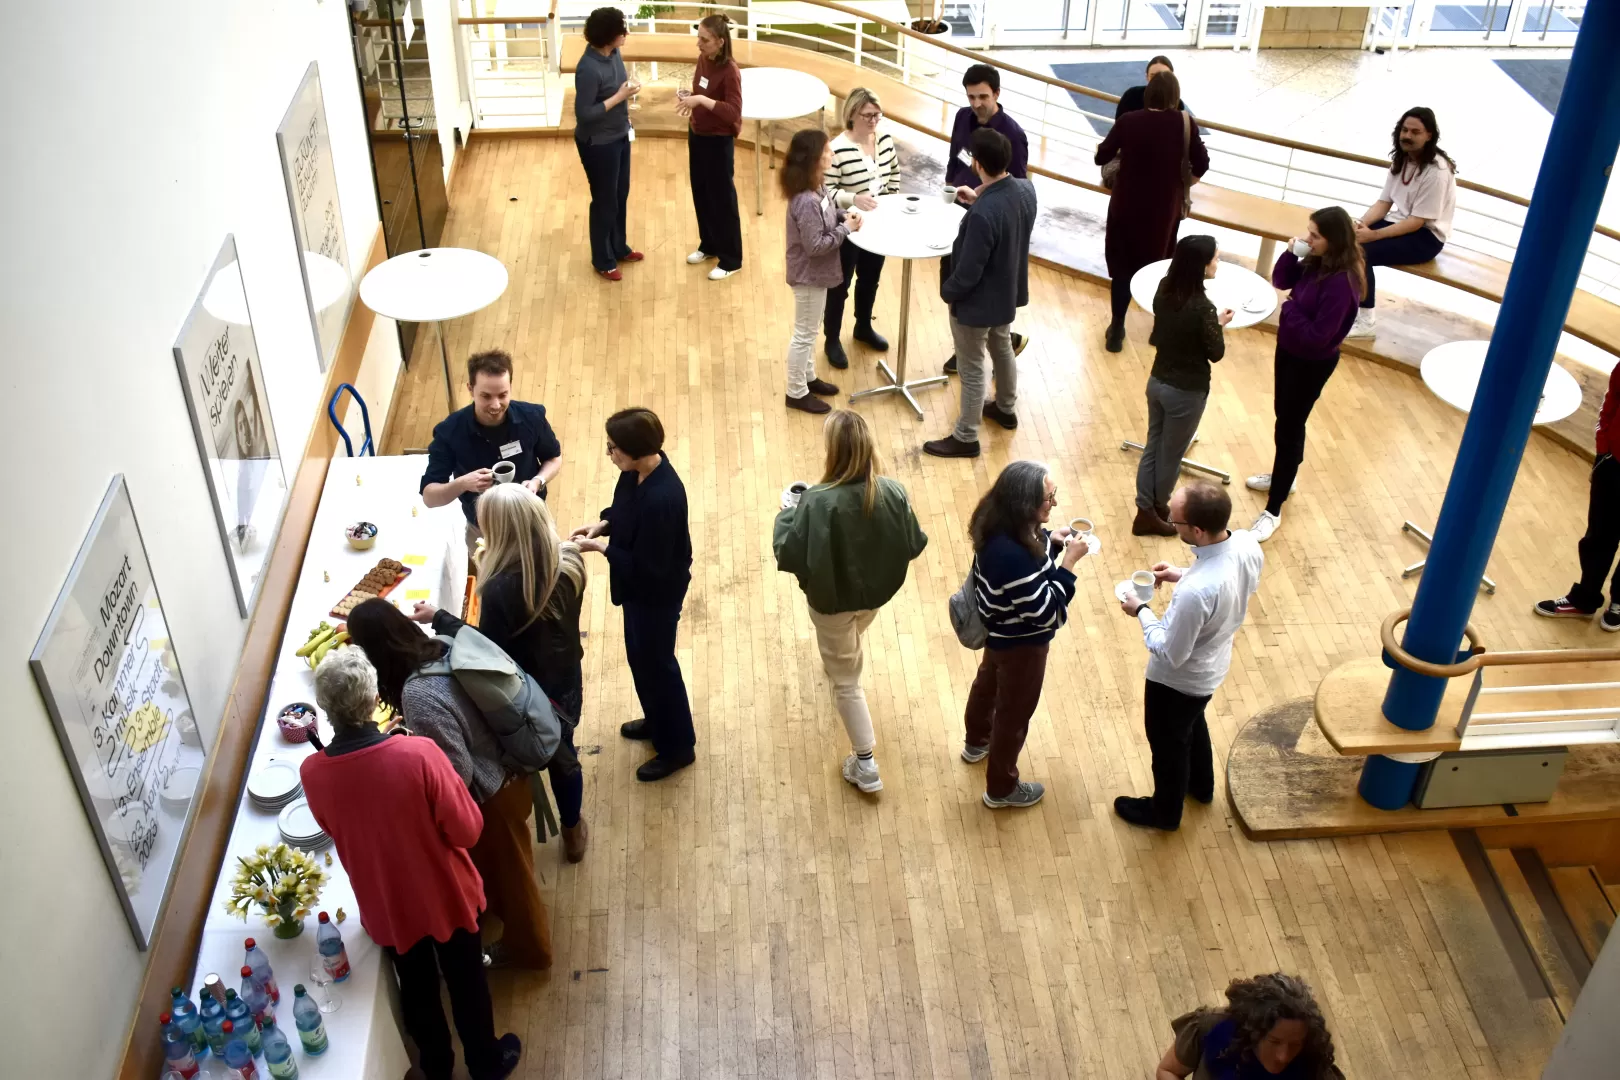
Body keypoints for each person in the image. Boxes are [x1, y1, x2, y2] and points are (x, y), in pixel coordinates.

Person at [302, 649, 523, 1080]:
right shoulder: (418, 755)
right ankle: (485, 1063)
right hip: (446, 895)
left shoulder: (313, 773)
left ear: (326, 711)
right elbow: (467, 830)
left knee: (418, 992)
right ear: (372, 701)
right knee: (467, 985)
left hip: (387, 904)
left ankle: (436, 1068)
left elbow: (335, 827)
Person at [345, 598, 554, 969]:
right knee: (508, 871)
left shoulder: (417, 695)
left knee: (514, 884)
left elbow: (457, 774)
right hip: (510, 775)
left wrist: (411, 761)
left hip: (493, 796)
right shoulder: (440, 645)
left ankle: (531, 950)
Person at [412, 483, 591, 862]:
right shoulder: (570, 561)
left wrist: (440, 619)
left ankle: (550, 823)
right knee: (565, 753)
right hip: (566, 683)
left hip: (528, 692)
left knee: (540, 753)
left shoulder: (499, 589)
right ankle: (573, 826)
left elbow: (488, 652)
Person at [773, 410, 928, 793]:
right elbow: (914, 543)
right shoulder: (893, 491)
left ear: (833, 451)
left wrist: (787, 515)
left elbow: (789, 552)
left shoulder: (815, 501)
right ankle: (842, 659)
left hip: (831, 604)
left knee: (847, 682)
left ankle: (865, 765)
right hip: (872, 598)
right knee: (853, 635)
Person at [1115, 483, 1262, 831]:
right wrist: (1182, 574)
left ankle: (1164, 812)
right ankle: (1201, 785)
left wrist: (1142, 611)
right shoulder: (1244, 542)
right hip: (1212, 669)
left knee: (1168, 745)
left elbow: (1170, 651)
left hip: (1177, 681)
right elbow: (1234, 583)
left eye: (1174, 520)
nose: (1170, 522)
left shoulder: (1196, 594)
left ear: (1196, 530)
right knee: (1191, 723)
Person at [570, 408, 696, 781]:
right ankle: (657, 722)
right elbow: (625, 512)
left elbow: (650, 568)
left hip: (656, 595)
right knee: (641, 661)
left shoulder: (663, 498)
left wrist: (600, 550)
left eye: (614, 448)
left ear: (636, 450)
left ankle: (678, 748)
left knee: (659, 667)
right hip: (639, 590)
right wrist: (603, 524)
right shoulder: (635, 474)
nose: (610, 453)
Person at [960, 461, 1091, 809]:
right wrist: (1069, 565)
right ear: (1024, 504)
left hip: (997, 631)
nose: (1055, 504)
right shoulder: (1013, 554)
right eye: (1048, 498)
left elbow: (1029, 572)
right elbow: (1046, 613)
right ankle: (1001, 789)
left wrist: (1051, 542)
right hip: (1021, 646)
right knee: (1013, 715)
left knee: (986, 684)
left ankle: (976, 742)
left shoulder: (999, 525)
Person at [1246, 207, 1365, 543]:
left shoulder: (1342, 284)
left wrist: (1289, 309)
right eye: (1308, 232)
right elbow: (1282, 281)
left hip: (1311, 362)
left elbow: (1318, 336)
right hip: (1289, 350)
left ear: (1334, 240)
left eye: (1315, 235)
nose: (1307, 239)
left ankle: (1273, 509)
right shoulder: (1316, 261)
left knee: (1290, 425)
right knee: (1284, 417)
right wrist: (1290, 252)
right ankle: (1287, 474)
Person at [923, 128, 1037, 460]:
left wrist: (948, 291)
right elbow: (1011, 216)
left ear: (976, 163)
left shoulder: (984, 217)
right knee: (1002, 346)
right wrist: (980, 198)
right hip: (1006, 296)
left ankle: (966, 436)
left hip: (976, 305)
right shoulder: (1025, 190)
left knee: (972, 368)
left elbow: (970, 271)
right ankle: (1005, 408)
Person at [1093, 71, 1209, 354]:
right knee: (1158, 269)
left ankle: (1117, 329)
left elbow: (1101, 157)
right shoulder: (1185, 123)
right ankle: (1158, 329)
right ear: (1175, 97)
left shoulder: (1129, 121)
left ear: (1148, 95)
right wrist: (1183, 183)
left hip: (1126, 207)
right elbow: (1202, 163)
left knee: (1122, 269)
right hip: (1163, 212)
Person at [1134, 235, 1231, 537]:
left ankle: (1144, 507)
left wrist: (1214, 323)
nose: (1218, 262)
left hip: (1157, 380)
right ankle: (1156, 509)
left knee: (1153, 446)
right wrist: (1218, 324)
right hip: (1186, 391)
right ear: (1201, 265)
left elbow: (1175, 328)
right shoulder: (1203, 308)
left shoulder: (1165, 288)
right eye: (1215, 257)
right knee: (1171, 454)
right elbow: (1215, 352)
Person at [942, 63, 1031, 375]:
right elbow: (954, 159)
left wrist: (978, 195)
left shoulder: (1014, 136)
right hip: (960, 213)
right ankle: (970, 344)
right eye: (971, 97)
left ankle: (987, 345)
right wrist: (950, 190)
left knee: (984, 286)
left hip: (989, 220)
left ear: (996, 93)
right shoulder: (961, 118)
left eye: (982, 96)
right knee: (955, 274)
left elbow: (1015, 189)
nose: (976, 103)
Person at [419, 350, 562, 543]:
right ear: (470, 389)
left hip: (532, 520)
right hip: (484, 532)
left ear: (510, 387)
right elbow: (429, 497)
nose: (495, 405)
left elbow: (553, 458)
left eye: (503, 395)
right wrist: (463, 483)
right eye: (486, 396)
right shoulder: (449, 433)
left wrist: (537, 481)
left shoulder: (532, 417)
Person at [1349, 107, 1456, 338]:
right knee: (1344, 241)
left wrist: (1372, 235)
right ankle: (1339, 305)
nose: (1407, 136)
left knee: (1360, 252)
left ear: (1429, 135)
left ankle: (1366, 320)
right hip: (1399, 223)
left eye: (1415, 132)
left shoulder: (1437, 171)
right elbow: (1383, 203)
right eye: (1404, 130)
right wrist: (1360, 224)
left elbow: (1417, 222)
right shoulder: (1402, 161)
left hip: (1426, 237)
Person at [781, 128, 863, 415]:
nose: (833, 154)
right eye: (828, 150)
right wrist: (846, 228)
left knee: (810, 329)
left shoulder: (818, 186)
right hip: (808, 276)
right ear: (814, 158)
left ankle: (808, 378)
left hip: (818, 275)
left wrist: (843, 216)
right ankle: (796, 391)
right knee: (805, 333)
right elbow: (815, 245)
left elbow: (827, 214)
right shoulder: (806, 199)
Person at [1535, 361, 1620, 631]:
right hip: (1613, 462)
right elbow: (1612, 401)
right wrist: (1603, 448)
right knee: (1598, 535)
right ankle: (1584, 599)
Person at [822, 87, 899, 369]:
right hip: (848, 228)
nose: (874, 121)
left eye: (877, 115)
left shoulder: (885, 140)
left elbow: (893, 176)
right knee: (839, 284)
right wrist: (852, 199)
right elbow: (826, 191)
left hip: (877, 227)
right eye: (868, 115)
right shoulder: (837, 148)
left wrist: (889, 207)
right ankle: (832, 338)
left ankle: (863, 327)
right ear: (852, 114)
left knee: (870, 278)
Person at [1157, 972, 1343, 1079]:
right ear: (1254, 1031)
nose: (1283, 1057)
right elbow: (1168, 1071)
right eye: (1274, 1041)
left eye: (1295, 1045)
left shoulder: (1314, 1066)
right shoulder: (1212, 1027)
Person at [574, 7, 642, 281]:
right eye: (621, 31)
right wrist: (620, 96)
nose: (626, 34)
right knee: (605, 202)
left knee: (620, 195)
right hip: (598, 144)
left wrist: (629, 89)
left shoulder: (613, 53)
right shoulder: (588, 68)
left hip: (619, 135)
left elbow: (618, 87)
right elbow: (584, 114)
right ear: (607, 37)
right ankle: (602, 259)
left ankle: (618, 247)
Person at [677, 14, 743, 280]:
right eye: (698, 37)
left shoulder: (730, 72)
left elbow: (734, 112)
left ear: (720, 41)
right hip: (698, 134)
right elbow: (697, 89)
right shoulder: (703, 59)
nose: (699, 44)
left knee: (722, 201)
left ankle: (731, 259)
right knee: (701, 193)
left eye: (704, 40)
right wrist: (690, 101)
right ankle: (709, 244)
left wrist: (701, 100)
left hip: (718, 142)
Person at [1115, 55, 1188, 119]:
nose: (1159, 80)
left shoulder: (1178, 103)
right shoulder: (1131, 96)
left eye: (1164, 76)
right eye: (1153, 76)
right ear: (1147, 77)